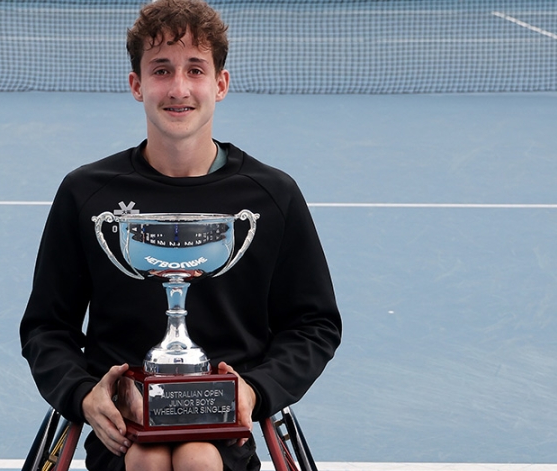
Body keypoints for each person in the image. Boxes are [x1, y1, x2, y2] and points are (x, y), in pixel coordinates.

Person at [17, 1, 342, 471]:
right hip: (122, 424)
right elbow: (47, 326)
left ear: (220, 84)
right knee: (147, 458)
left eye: (195, 69)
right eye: (161, 70)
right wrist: (83, 394)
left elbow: (314, 324)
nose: (179, 88)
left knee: (198, 458)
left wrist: (257, 390)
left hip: (228, 423)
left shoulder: (272, 195)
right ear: (137, 85)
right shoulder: (86, 194)